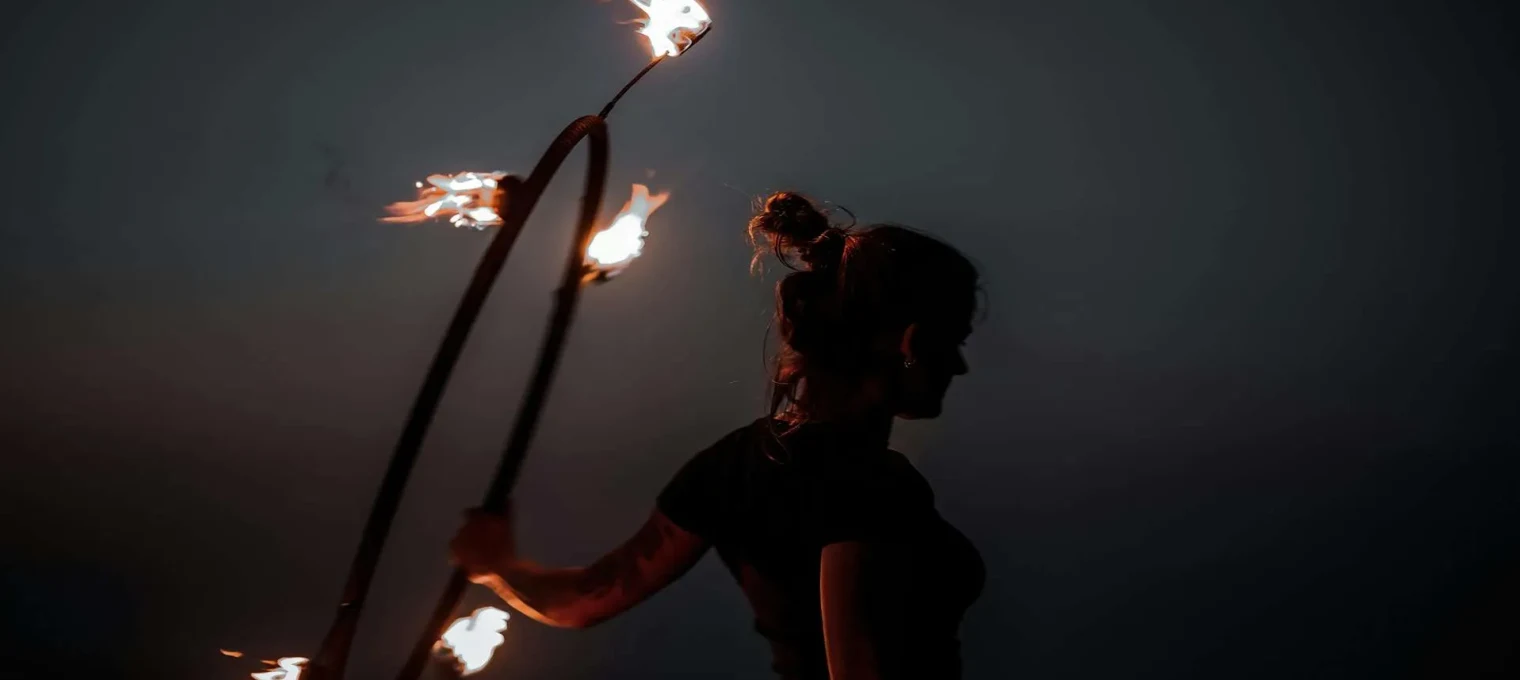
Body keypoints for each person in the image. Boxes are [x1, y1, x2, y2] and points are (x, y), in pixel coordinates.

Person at [450, 191, 985, 679]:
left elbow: (584, 602)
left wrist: (498, 567)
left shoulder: (740, 461)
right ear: (912, 343)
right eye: (955, 341)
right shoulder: (870, 485)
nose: (960, 366)